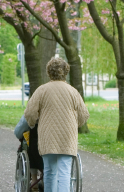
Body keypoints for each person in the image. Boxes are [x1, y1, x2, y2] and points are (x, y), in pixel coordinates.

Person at [24, 57, 89, 192]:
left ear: (49, 72)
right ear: (66, 72)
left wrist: (32, 123)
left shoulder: (42, 90)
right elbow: (84, 115)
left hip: (47, 135)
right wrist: (76, 124)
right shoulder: (73, 91)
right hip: (67, 136)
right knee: (65, 171)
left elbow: (30, 113)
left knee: (49, 171)